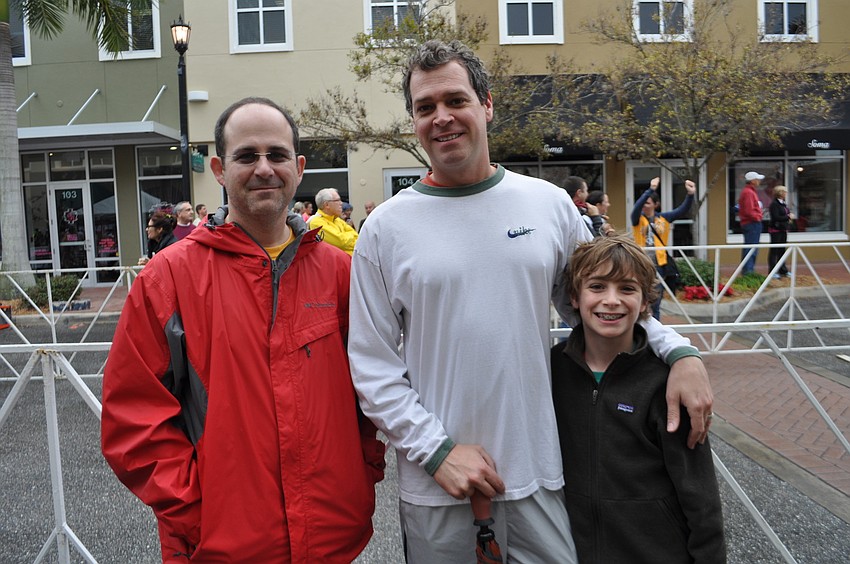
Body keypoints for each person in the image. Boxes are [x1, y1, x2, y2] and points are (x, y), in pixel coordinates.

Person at [347, 39, 714, 564]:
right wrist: (436, 452)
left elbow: (599, 308)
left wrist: (678, 350)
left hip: (538, 470)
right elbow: (371, 362)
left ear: (487, 104)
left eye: (456, 100)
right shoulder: (385, 228)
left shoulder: (547, 205)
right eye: (425, 108)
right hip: (437, 484)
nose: (442, 118)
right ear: (413, 120)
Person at [101, 97, 385, 563]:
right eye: (246, 156)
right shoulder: (168, 278)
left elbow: (370, 393)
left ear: (299, 166)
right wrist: (200, 511)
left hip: (331, 541)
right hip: (218, 547)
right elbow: (133, 419)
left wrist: (361, 474)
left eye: (276, 155)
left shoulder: (340, 274)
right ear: (218, 168)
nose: (264, 169)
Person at [552, 235, 726, 563]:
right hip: (569, 551)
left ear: (646, 303)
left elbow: (701, 497)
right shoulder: (550, 372)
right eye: (597, 286)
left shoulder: (668, 384)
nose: (612, 300)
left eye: (627, 289)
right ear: (574, 297)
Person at [631, 177, 696, 320]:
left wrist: (690, 195)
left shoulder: (664, 218)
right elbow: (636, 207)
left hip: (658, 265)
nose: (644, 205)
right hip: (641, 263)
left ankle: (656, 330)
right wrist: (650, 190)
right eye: (644, 202)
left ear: (656, 204)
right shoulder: (637, 218)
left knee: (655, 300)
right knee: (639, 299)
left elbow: (682, 210)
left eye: (648, 203)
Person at [308, 188, 359, 255]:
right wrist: (351, 239)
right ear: (326, 205)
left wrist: (347, 239)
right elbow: (341, 242)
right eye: (337, 200)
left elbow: (357, 237)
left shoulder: (337, 220)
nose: (341, 203)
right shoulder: (316, 223)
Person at [738, 171, 765, 274]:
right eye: (757, 179)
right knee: (751, 248)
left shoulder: (749, 191)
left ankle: (748, 270)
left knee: (751, 247)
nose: (759, 181)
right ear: (752, 181)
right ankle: (748, 271)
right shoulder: (749, 192)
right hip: (752, 223)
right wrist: (758, 217)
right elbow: (749, 211)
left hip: (751, 223)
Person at [768, 185, 794, 279]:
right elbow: (776, 217)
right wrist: (788, 217)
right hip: (776, 230)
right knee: (774, 250)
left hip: (783, 229)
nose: (786, 194)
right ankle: (772, 271)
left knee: (782, 250)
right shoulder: (774, 204)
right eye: (784, 192)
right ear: (780, 193)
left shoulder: (783, 204)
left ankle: (783, 270)